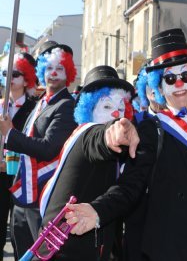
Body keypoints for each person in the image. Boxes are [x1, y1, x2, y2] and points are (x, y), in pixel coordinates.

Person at [65, 28, 187, 261]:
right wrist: (99, 211)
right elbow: (132, 184)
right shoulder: (151, 130)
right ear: (159, 87)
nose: (179, 83)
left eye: (186, 76)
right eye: (170, 78)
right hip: (176, 240)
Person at [38, 65, 134, 260]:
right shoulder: (88, 134)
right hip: (65, 251)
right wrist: (111, 135)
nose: (116, 114)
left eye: (121, 108)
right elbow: (99, 139)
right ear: (88, 108)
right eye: (107, 106)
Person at [0, 41, 77, 258]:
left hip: (41, 197)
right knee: (20, 253)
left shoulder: (66, 106)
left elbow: (48, 148)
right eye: (49, 68)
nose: (53, 73)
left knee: (39, 255)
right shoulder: (42, 102)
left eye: (59, 69)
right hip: (23, 195)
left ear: (68, 73)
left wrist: (10, 134)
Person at [0, 53, 37, 260]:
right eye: (6, 73)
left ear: (26, 78)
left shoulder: (34, 107)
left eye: (15, 73)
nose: (10, 78)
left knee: (20, 233)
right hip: (0, 175)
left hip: (23, 177)